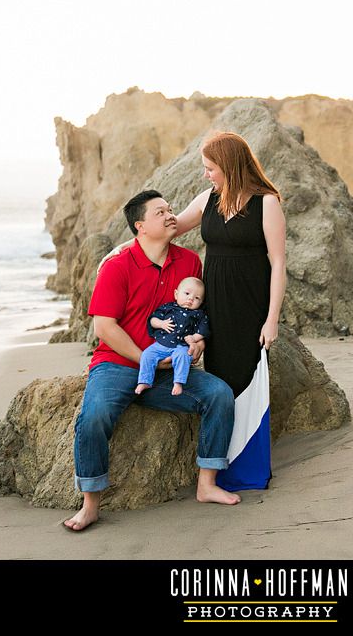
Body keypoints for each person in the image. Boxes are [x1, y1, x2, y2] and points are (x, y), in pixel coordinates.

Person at [103, 131, 286, 492]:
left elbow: (278, 264)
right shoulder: (208, 199)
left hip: (250, 305)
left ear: (229, 166)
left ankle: (246, 469)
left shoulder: (267, 203)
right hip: (214, 305)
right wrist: (122, 248)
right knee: (220, 378)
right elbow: (168, 229)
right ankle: (219, 469)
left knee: (247, 378)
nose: (206, 174)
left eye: (210, 168)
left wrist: (271, 319)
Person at [63, 190, 240, 533]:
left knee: (219, 394)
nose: (171, 214)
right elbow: (104, 327)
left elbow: (197, 315)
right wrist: (144, 358)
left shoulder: (189, 263)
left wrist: (198, 342)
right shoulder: (117, 266)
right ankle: (90, 505)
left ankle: (206, 484)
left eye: (171, 209)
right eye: (161, 212)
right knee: (94, 416)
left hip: (170, 371)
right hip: (117, 364)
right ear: (140, 226)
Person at [135, 276, 210, 397]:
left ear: (201, 303)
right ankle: (145, 381)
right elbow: (153, 319)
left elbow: (203, 330)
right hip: (162, 344)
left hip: (182, 346)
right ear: (176, 294)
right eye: (187, 293)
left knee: (183, 356)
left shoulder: (199, 314)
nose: (190, 298)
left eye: (197, 298)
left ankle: (178, 383)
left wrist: (194, 338)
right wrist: (161, 323)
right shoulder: (168, 307)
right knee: (147, 354)